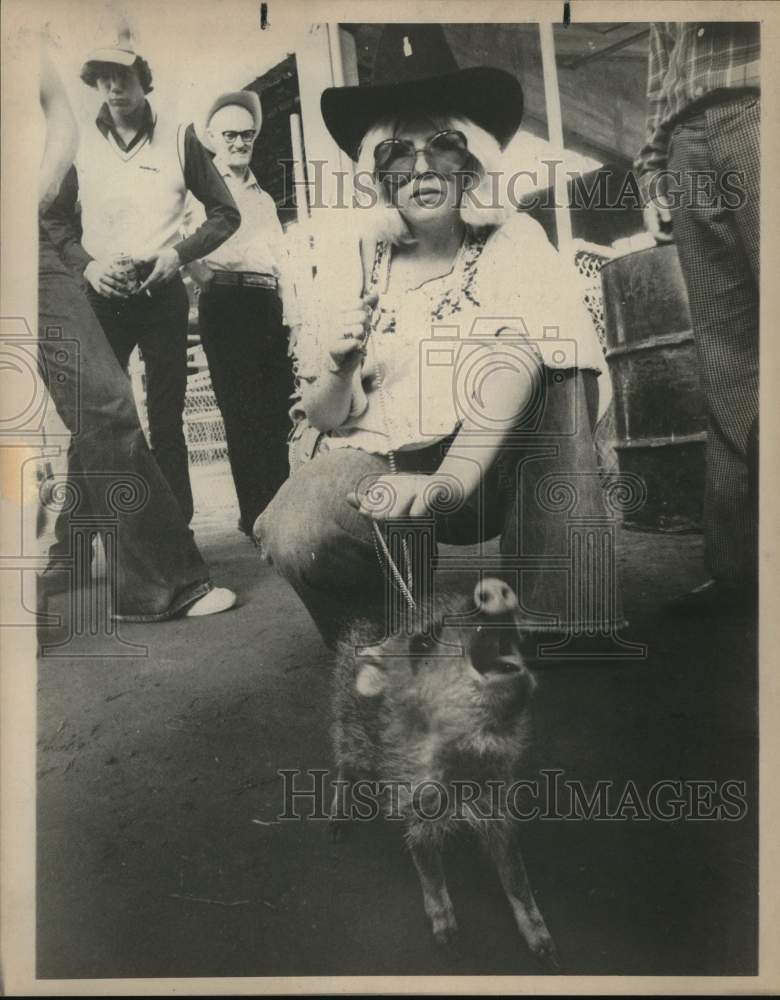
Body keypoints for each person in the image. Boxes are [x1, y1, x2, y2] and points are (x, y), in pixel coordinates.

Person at [255, 24, 617, 649]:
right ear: (378, 173)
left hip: (497, 468)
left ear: (470, 160)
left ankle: (559, 613)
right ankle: (387, 632)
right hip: (389, 469)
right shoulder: (353, 256)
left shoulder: (512, 240)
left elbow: (517, 364)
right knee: (296, 528)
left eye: (442, 144)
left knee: (564, 368)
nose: (421, 166)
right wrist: (339, 368)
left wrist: (445, 482)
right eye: (397, 152)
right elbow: (322, 415)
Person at [39, 42, 235, 619]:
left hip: (162, 293)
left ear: (143, 79)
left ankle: (178, 538)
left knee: (166, 416)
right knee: (94, 415)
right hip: (101, 293)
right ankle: (73, 549)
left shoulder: (181, 137)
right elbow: (53, 221)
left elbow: (226, 212)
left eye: (121, 77)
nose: (112, 89)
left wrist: (177, 255)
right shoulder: (73, 142)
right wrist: (87, 267)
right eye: (100, 79)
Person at [635, 22, 759, 615]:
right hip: (689, 133)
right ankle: (738, 573)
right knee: (725, 363)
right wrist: (653, 164)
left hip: (761, 102)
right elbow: (663, 56)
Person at [186, 91, 300, 537]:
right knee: (241, 412)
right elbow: (178, 240)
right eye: (230, 135)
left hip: (266, 304)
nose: (239, 142)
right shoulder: (201, 190)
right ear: (212, 138)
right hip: (227, 304)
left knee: (276, 409)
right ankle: (256, 518)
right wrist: (204, 278)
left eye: (247, 135)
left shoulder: (263, 199)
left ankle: (279, 514)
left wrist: (290, 315)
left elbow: (281, 260)